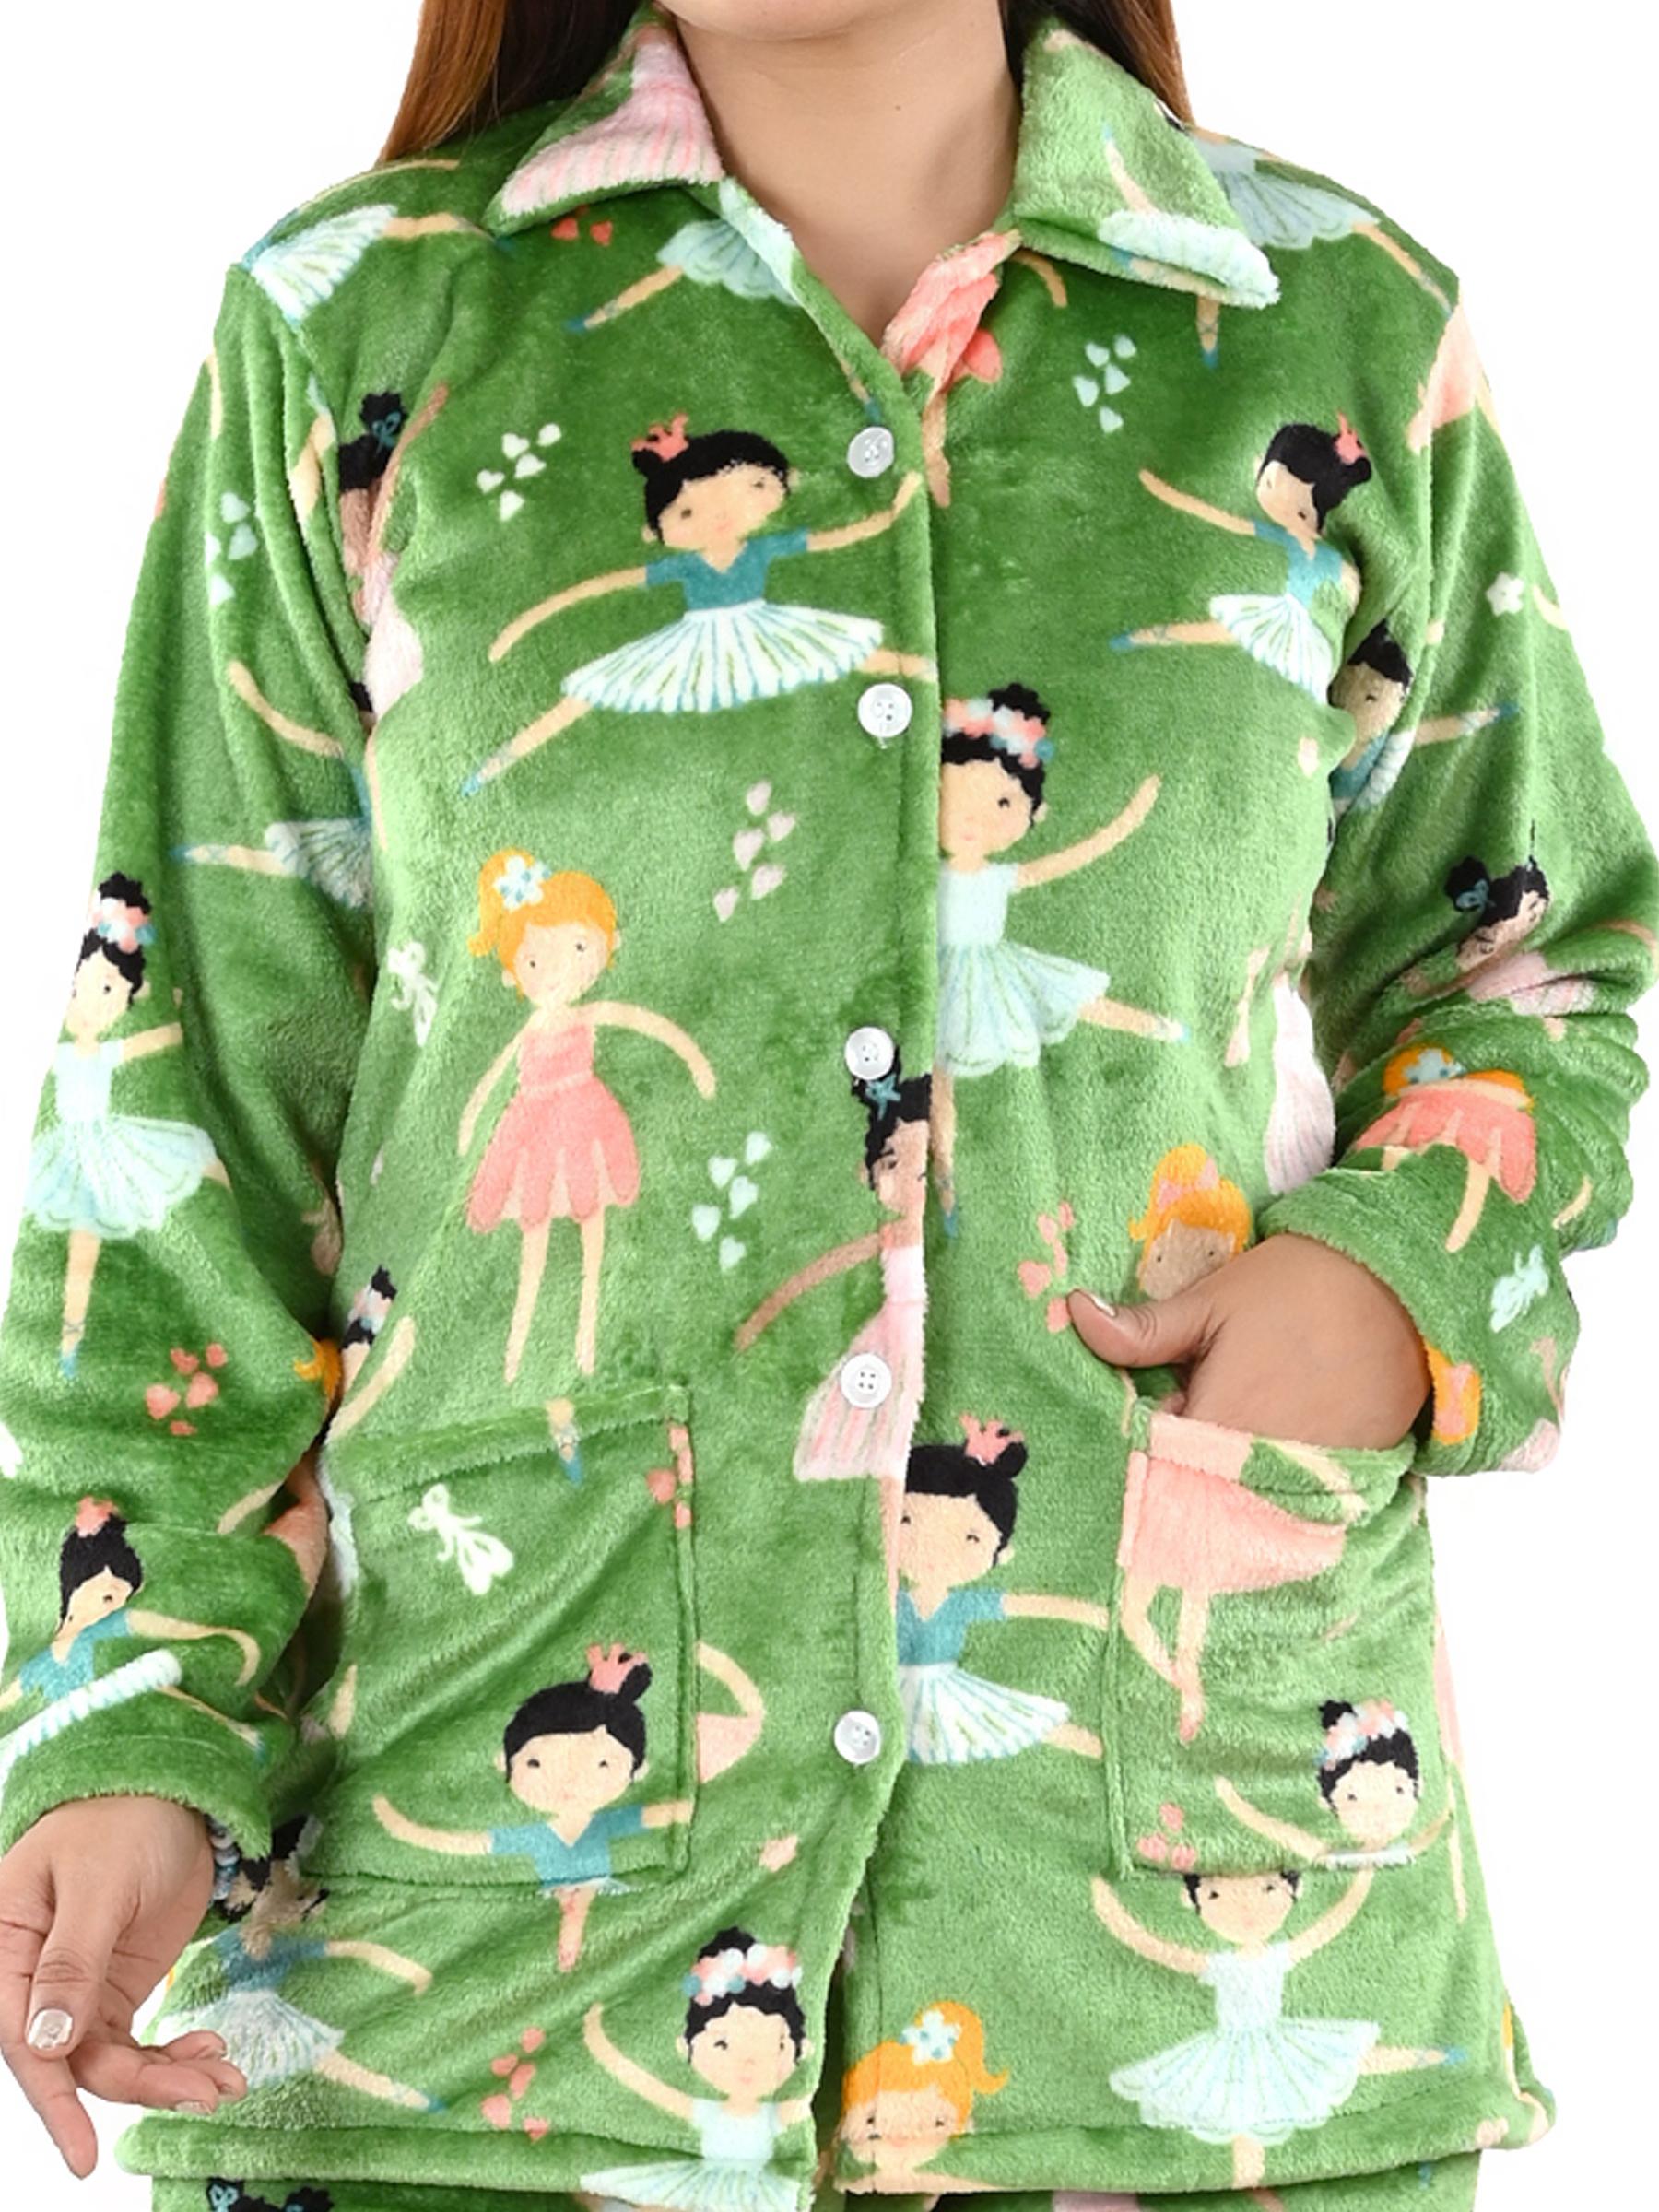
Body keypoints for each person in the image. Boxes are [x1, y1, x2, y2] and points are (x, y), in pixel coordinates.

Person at [0, 7, 1653, 2212]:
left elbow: (1538, 962)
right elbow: (182, 1089)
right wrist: (114, 1716)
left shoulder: (1333, 330)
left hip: (1171, 1966)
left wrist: (1389, 1285)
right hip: (463, 1999)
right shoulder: (357, 332)